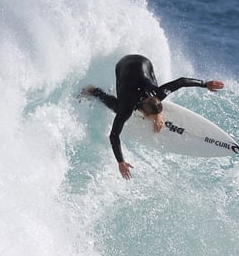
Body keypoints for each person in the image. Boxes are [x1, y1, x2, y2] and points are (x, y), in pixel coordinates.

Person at [81, 54, 224, 179]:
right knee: (117, 106)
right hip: (122, 65)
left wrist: (205, 84)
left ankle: (157, 113)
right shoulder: (127, 107)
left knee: (151, 87)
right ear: (144, 112)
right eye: (153, 116)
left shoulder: (158, 93)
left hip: (144, 62)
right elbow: (114, 135)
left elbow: (181, 82)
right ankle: (94, 91)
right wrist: (120, 161)